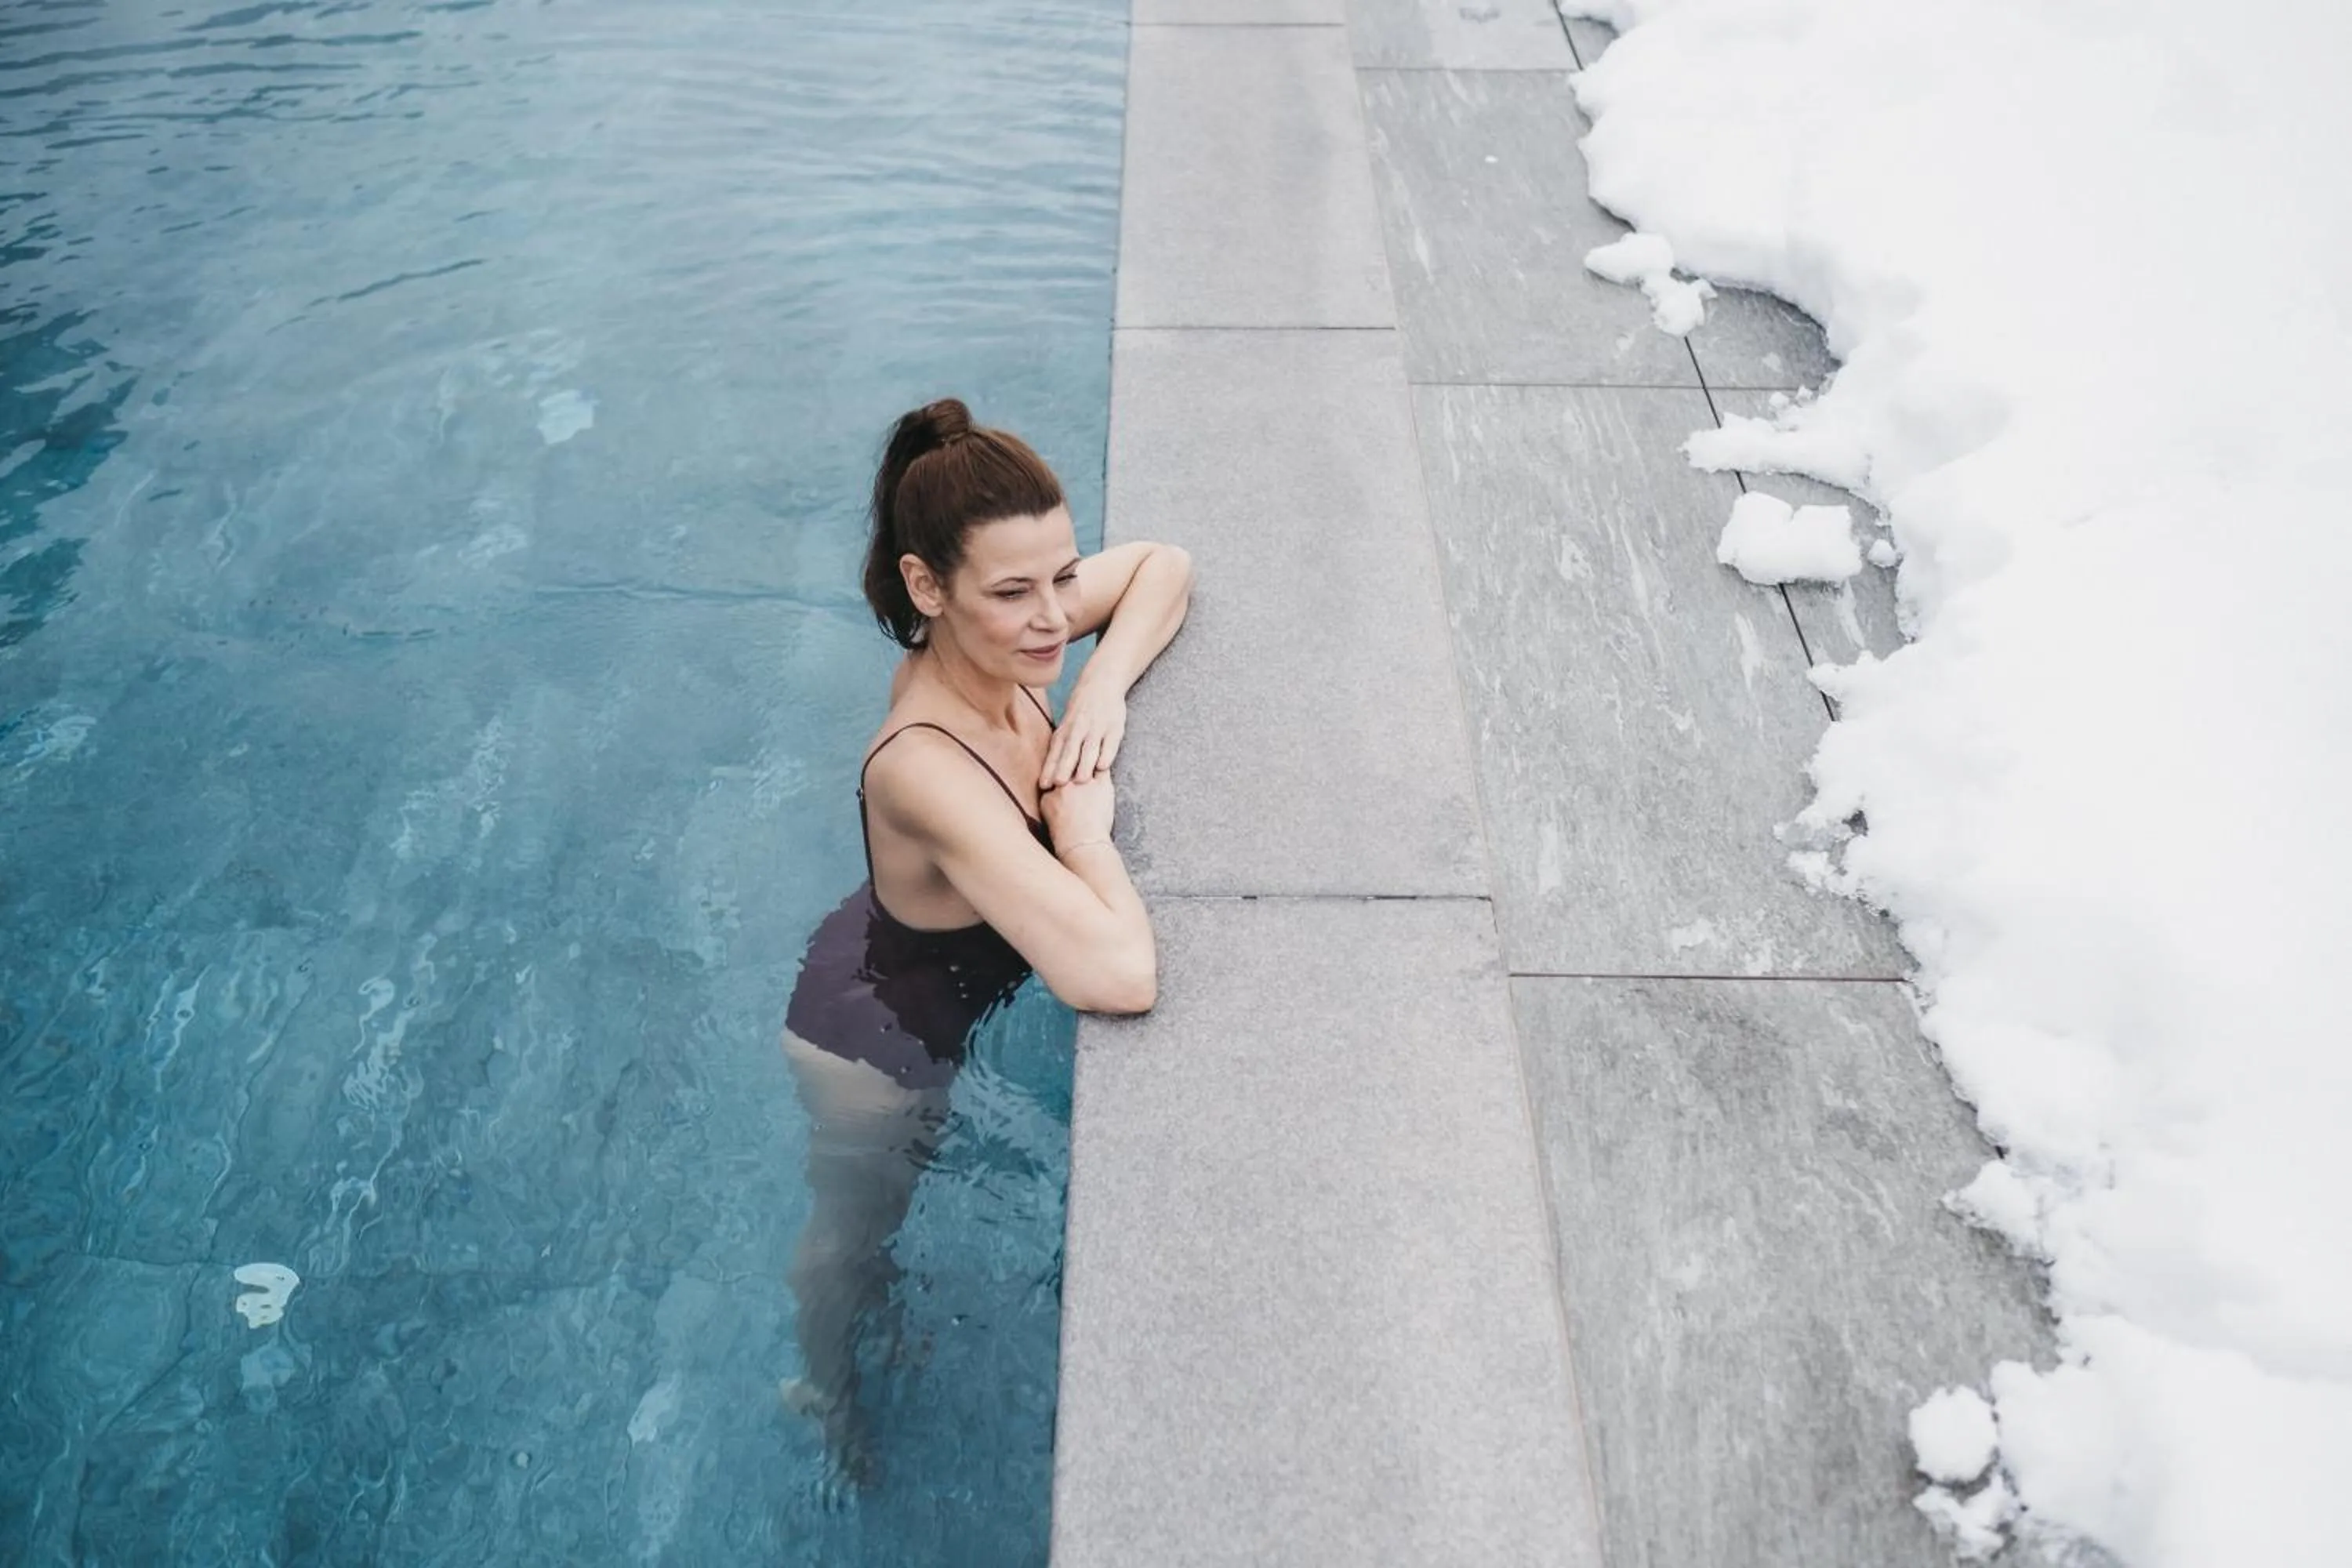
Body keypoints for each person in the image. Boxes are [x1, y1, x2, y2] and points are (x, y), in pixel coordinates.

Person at [779, 397, 1193, 1483]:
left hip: (930, 954)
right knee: (855, 1247)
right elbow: (1119, 975)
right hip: (879, 1043)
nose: (1054, 618)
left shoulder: (1007, 639)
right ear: (929, 588)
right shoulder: (922, 764)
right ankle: (821, 1392)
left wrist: (1099, 694)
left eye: (1064, 577)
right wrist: (1079, 828)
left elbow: (1165, 566)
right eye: (1014, 593)